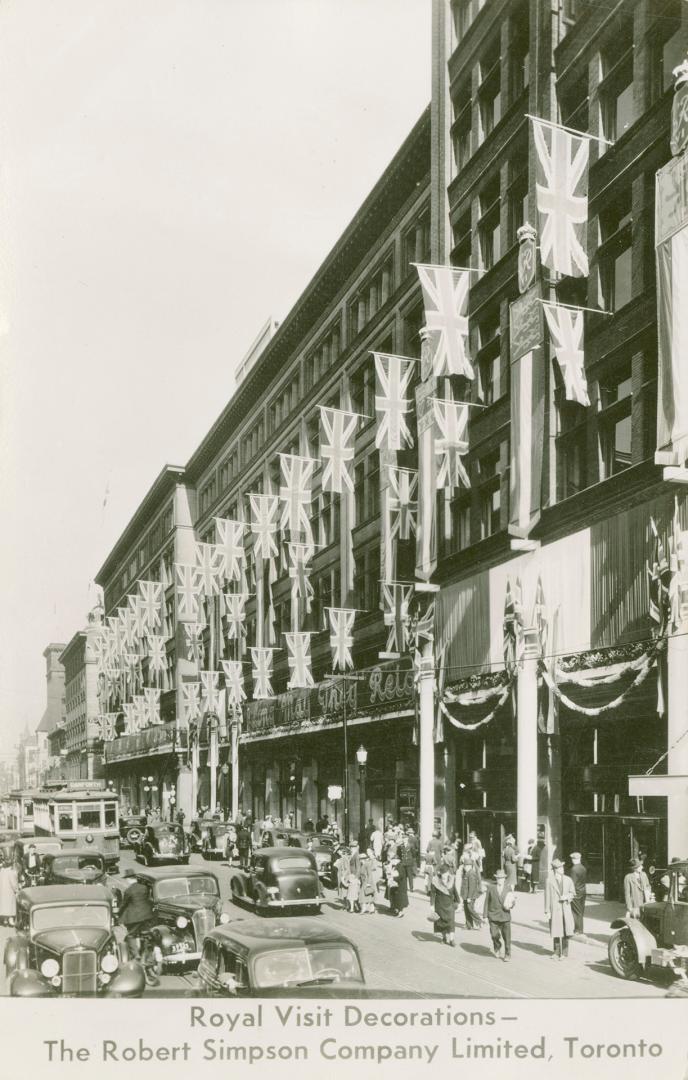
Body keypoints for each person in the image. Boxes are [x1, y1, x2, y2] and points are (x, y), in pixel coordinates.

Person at [544, 858, 575, 959]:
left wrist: (566, 897)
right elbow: (547, 896)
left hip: (565, 909)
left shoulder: (568, 880)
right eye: (561, 867)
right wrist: (547, 910)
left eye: (562, 866)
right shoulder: (549, 881)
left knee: (566, 930)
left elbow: (573, 893)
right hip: (555, 909)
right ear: (556, 869)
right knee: (556, 930)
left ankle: (564, 953)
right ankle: (556, 952)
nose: (563, 869)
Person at [118, 878, 155, 955]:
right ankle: (146, 954)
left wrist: (119, 912)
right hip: (147, 915)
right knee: (146, 934)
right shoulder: (144, 888)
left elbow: (124, 904)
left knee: (131, 935)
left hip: (134, 918)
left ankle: (136, 955)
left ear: (129, 880)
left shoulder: (128, 890)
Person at [484, 869, 512, 962]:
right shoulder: (491, 888)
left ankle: (507, 954)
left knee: (507, 937)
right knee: (494, 935)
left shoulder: (508, 888)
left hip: (505, 916)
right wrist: (484, 916)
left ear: (504, 879)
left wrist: (511, 904)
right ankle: (497, 946)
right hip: (493, 916)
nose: (500, 880)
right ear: (496, 879)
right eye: (498, 878)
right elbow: (486, 902)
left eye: (502, 878)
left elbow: (511, 901)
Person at [432, 866, 458, 946]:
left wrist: (458, 901)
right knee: (442, 922)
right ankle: (444, 938)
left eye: (446, 873)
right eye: (443, 873)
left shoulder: (452, 880)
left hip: (450, 904)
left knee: (451, 921)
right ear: (440, 873)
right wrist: (431, 905)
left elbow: (455, 891)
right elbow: (432, 893)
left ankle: (451, 939)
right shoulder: (435, 881)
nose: (445, 875)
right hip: (439, 904)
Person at [457, 852, 482, 929]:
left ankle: (478, 921)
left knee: (470, 908)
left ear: (470, 866)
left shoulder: (471, 873)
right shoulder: (467, 873)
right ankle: (469, 924)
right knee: (466, 909)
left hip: (470, 895)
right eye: (465, 866)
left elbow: (472, 887)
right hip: (466, 895)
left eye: (467, 866)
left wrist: (469, 897)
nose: (465, 867)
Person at [569, 852, 587, 935]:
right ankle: (580, 929)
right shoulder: (583, 868)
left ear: (573, 859)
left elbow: (573, 882)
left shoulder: (574, 869)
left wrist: (570, 892)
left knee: (576, 911)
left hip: (576, 892)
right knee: (581, 910)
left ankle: (578, 930)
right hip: (583, 891)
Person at [0, 861, 18, 927]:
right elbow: (14, 884)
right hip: (9, 892)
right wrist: (17, 890)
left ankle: (5, 920)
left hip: (2, 891)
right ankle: (10, 920)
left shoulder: (1, 871)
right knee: (10, 906)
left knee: (4, 906)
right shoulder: (11, 872)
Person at [346, 841, 362, 913]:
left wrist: (356, 877)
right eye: (351, 847)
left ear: (356, 848)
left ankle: (355, 907)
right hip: (352, 875)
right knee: (353, 893)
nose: (352, 849)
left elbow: (358, 867)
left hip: (354, 876)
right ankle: (355, 907)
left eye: (353, 847)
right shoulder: (353, 854)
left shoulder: (356, 855)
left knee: (353, 893)